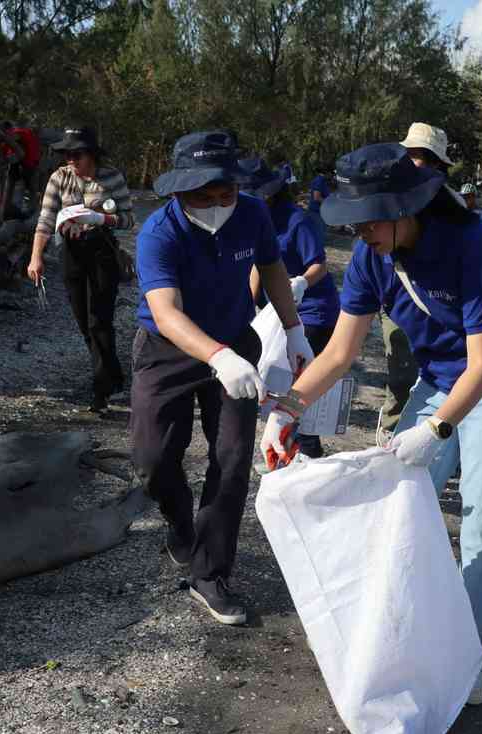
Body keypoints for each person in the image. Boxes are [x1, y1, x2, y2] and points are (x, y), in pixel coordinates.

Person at [259, 143, 482, 703]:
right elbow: (341, 350)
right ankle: (407, 627)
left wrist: (436, 429)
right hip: (442, 377)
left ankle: (477, 653)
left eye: (367, 222)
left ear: (402, 210)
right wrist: (287, 409)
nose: (358, 233)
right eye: (352, 223)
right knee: (394, 492)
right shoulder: (373, 255)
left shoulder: (473, 245)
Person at [132, 130, 310, 625]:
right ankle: (178, 519)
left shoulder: (252, 214)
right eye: (201, 197)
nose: (215, 205)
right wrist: (217, 357)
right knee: (151, 462)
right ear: (177, 192)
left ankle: (210, 573)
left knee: (231, 460)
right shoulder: (158, 234)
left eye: (224, 194)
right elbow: (166, 314)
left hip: (236, 343)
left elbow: (272, 268)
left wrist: (294, 330)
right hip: (168, 352)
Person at [28, 127, 134, 411]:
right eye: (67, 154)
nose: (71, 159)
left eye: (77, 154)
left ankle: (100, 391)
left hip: (102, 250)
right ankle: (113, 375)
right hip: (71, 253)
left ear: (91, 154)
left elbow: (127, 220)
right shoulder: (59, 178)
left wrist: (99, 218)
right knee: (82, 319)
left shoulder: (111, 177)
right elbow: (46, 219)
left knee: (99, 318)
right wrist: (36, 257)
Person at [241, 156, 340, 458]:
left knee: (301, 382)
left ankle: (307, 450)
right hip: (281, 314)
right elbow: (260, 265)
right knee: (279, 381)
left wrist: (301, 284)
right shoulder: (253, 218)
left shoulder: (297, 220)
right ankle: (288, 447)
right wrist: (248, 309)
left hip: (312, 311)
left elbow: (319, 265)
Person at [372, 122, 456, 441]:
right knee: (401, 375)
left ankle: (439, 437)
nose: (414, 162)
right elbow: (339, 352)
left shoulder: (458, 220)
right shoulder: (381, 209)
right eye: (409, 155)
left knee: (442, 378)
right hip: (398, 307)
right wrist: (289, 408)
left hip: (442, 315)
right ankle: (391, 435)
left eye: (422, 157)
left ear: (438, 166)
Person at [0, 121, 43, 217]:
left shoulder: (16, 133)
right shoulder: (25, 132)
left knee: (18, 189)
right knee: (32, 190)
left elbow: (12, 145)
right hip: (33, 163)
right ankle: (32, 212)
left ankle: (14, 214)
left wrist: (3, 147)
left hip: (25, 165)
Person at [307, 164, 333, 239]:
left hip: (319, 212)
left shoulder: (322, 180)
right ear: (327, 172)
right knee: (319, 235)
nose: (331, 176)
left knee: (319, 234)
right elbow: (316, 197)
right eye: (331, 173)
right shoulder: (320, 180)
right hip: (316, 212)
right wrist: (328, 203)